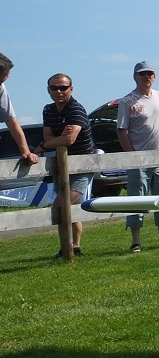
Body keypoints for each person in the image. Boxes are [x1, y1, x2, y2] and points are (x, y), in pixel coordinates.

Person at [117, 61, 159, 252]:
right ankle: (136, 241)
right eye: (142, 74)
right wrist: (132, 155)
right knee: (136, 199)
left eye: (150, 74)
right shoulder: (127, 101)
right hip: (139, 160)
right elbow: (121, 131)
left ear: (154, 77)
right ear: (135, 76)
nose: (147, 77)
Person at [36, 73, 95, 258]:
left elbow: (69, 139)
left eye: (63, 87)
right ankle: (72, 248)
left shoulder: (76, 109)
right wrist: (56, 139)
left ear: (71, 89)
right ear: (48, 90)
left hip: (82, 165)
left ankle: (68, 249)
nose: (59, 91)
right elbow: (49, 136)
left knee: (60, 206)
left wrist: (44, 146)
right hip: (61, 165)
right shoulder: (48, 110)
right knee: (70, 208)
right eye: (54, 88)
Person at [0, 53, 39, 165]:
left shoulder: (1, 88)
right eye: (6, 74)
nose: (8, 77)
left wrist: (26, 152)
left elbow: (12, 121)